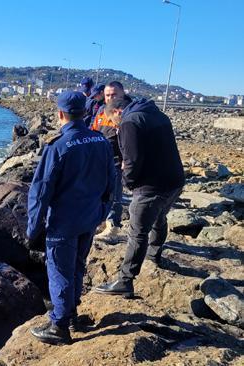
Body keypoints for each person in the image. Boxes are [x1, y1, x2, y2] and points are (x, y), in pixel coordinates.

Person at [27, 91, 115, 345]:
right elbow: (112, 181)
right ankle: (72, 314)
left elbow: (41, 191)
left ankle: (59, 326)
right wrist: (102, 212)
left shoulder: (58, 146)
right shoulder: (100, 141)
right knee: (77, 266)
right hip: (89, 219)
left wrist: (33, 231)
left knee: (59, 272)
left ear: (61, 114)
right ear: (86, 112)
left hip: (63, 223)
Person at [94, 97, 185, 298]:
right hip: (175, 180)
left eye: (112, 120)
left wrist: (128, 182)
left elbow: (132, 160)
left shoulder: (129, 121)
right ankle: (154, 255)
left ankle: (125, 280)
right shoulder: (157, 114)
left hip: (151, 185)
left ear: (118, 111)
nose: (114, 125)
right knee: (159, 218)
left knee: (137, 231)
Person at [92, 81, 132, 242]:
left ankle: (113, 227)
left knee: (114, 194)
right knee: (98, 193)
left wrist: (126, 161)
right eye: (107, 95)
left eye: (114, 94)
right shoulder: (102, 110)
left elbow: (130, 140)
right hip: (100, 159)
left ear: (122, 94)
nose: (110, 98)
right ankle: (101, 222)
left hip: (117, 160)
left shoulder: (127, 112)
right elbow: (94, 130)